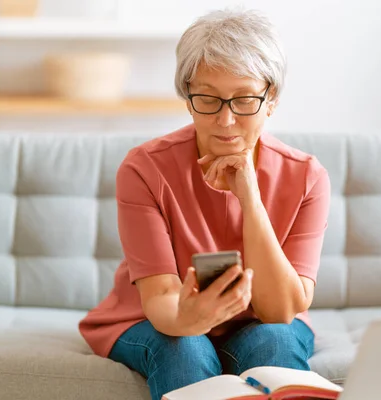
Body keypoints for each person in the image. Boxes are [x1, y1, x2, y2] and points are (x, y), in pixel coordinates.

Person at [78, 8, 331, 400]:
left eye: (244, 99)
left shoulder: (306, 176)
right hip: (153, 319)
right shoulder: (144, 169)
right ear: (187, 98)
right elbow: (160, 295)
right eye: (207, 100)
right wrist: (188, 317)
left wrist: (251, 199)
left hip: (261, 323)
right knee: (185, 347)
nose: (226, 121)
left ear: (271, 99)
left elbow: (281, 311)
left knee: (276, 344)